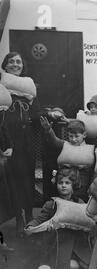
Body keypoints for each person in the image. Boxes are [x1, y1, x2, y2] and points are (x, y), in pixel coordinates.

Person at [25, 168, 92, 269]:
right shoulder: (51, 204)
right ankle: (63, 264)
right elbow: (40, 219)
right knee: (73, 268)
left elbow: (87, 219)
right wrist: (31, 225)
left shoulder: (79, 203)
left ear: (73, 185)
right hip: (59, 243)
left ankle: (76, 259)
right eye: (60, 183)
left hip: (76, 242)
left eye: (67, 183)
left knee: (88, 268)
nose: (63, 185)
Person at [0, 52, 39, 233]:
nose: (16, 64)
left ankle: (30, 215)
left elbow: (36, 114)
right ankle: (17, 218)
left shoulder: (28, 88)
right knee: (13, 178)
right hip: (8, 138)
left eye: (18, 62)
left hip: (26, 139)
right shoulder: (2, 86)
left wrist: (51, 114)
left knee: (28, 177)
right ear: (5, 65)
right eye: (11, 62)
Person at [40, 118, 95, 202]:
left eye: (76, 136)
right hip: (66, 178)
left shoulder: (91, 148)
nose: (73, 139)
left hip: (82, 181)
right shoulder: (64, 144)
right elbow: (54, 140)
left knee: (80, 201)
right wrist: (48, 129)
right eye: (70, 136)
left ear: (84, 135)